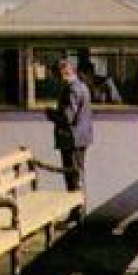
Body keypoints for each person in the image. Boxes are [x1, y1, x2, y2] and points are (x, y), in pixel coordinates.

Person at [48, 59, 93, 194]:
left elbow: (68, 117)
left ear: (64, 73)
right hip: (81, 138)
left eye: (57, 76)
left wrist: (51, 115)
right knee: (78, 177)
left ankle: (76, 213)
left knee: (72, 179)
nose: (57, 80)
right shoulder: (83, 87)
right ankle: (79, 212)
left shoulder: (71, 90)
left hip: (71, 140)